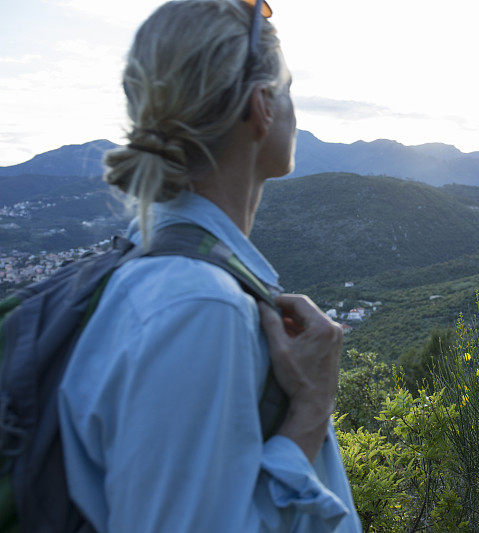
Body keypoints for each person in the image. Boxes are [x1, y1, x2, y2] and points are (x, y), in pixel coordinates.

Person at [56, 0, 361, 531]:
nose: (294, 109)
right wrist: (311, 409)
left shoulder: (150, 266)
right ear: (262, 107)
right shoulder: (199, 305)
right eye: (288, 90)